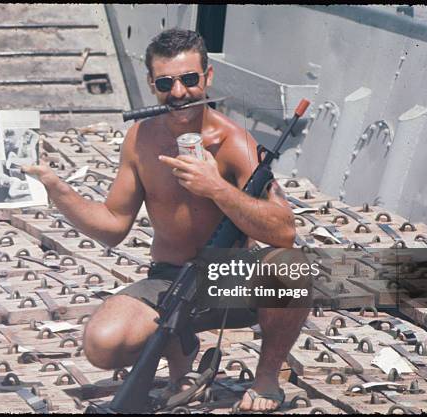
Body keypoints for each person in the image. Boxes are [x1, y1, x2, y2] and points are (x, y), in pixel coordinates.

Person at [23, 29, 309, 412]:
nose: (178, 93)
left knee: (295, 270)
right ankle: (180, 350)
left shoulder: (234, 142)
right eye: (166, 82)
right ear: (151, 85)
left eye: (190, 79)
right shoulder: (140, 139)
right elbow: (112, 225)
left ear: (207, 78)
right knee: (101, 344)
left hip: (228, 278)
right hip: (168, 279)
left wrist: (217, 189)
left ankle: (266, 380)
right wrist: (58, 191)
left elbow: (285, 232)